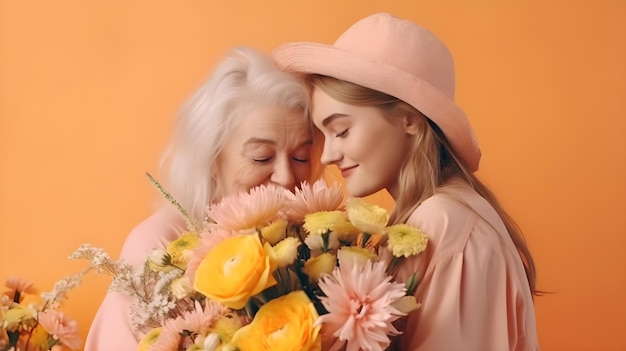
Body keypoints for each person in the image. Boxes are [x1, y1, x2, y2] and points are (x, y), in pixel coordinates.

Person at [273, 12, 539, 350]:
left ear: (409, 120)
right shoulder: (432, 217)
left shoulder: (444, 222)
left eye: (341, 131)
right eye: (324, 136)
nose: (327, 156)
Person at [86, 46, 319, 350]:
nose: (287, 177)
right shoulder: (159, 246)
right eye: (262, 158)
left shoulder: (317, 245)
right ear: (210, 160)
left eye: (301, 157)